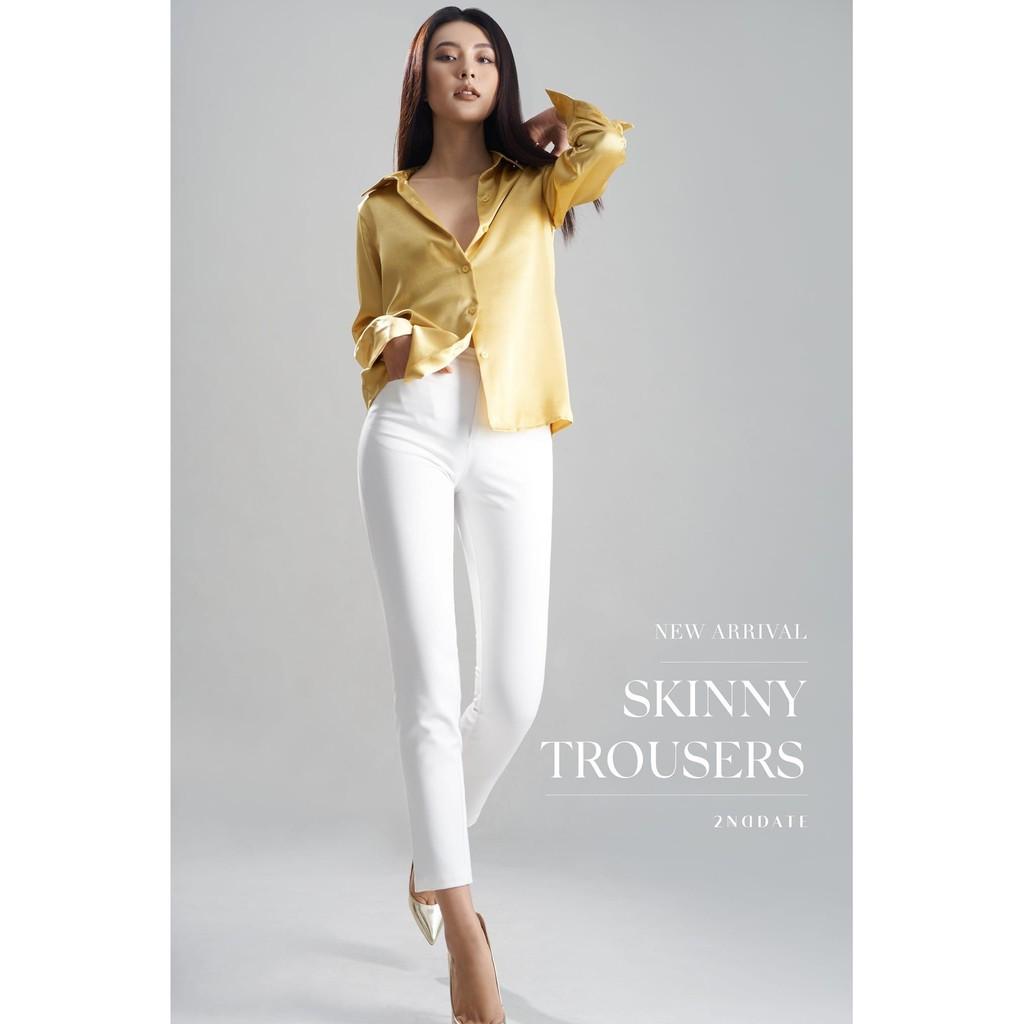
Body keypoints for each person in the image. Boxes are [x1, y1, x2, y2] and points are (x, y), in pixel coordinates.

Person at [352, 9, 633, 1022]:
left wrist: (551, 121)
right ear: (420, 80)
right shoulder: (383, 205)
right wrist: (398, 338)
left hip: (514, 436)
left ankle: (434, 857)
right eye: (447, 55)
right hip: (410, 434)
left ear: (500, 79)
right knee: (430, 691)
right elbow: (366, 323)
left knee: (512, 692)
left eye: (484, 58)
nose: (466, 69)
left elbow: (608, 142)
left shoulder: (534, 185)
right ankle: (466, 931)